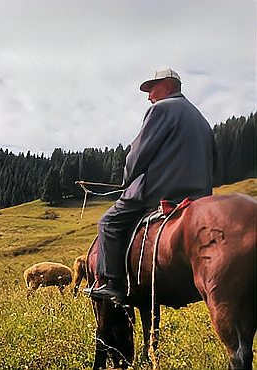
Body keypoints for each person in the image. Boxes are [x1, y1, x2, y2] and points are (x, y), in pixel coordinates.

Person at [85, 68, 216, 303]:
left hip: (161, 190)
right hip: (200, 196)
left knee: (108, 222)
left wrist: (127, 179)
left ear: (167, 85)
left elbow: (139, 153)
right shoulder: (201, 119)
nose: (148, 96)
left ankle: (112, 283)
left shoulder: (161, 109)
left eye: (151, 88)